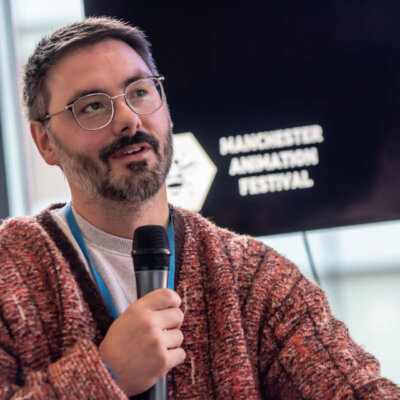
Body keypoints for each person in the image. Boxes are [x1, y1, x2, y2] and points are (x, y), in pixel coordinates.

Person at [0, 16, 398, 400]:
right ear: (44, 142)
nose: (128, 119)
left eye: (140, 92)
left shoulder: (252, 276)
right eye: (92, 106)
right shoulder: (9, 271)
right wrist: (105, 376)